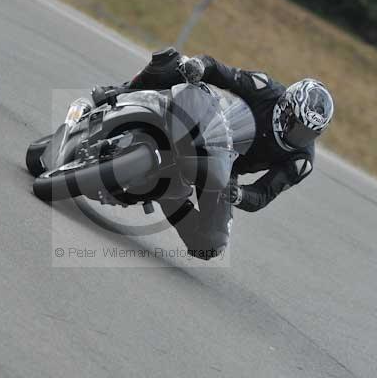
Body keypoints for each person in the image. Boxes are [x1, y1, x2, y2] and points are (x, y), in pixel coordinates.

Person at [96, 48, 335, 260]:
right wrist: (199, 66)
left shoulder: (301, 161)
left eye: (308, 133)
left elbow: (263, 194)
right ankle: (118, 92)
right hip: (210, 120)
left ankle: (169, 196)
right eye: (298, 126)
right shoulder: (265, 88)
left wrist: (239, 194)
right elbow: (220, 71)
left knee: (211, 244)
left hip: (225, 169)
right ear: (286, 108)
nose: (299, 137)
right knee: (174, 60)